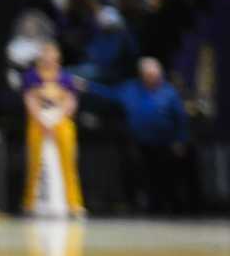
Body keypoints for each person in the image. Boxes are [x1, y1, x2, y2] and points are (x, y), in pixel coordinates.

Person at [74, 55, 189, 214]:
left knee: (166, 177)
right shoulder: (130, 89)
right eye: (148, 74)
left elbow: (180, 119)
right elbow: (109, 93)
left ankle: (173, 208)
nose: (152, 77)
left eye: (155, 74)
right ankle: (150, 207)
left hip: (164, 144)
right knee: (143, 176)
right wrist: (87, 86)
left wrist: (180, 140)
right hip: (140, 144)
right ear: (142, 75)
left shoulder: (169, 92)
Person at [22, 42, 85, 217]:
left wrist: (58, 118)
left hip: (61, 121)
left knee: (68, 162)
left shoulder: (66, 77)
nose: (49, 58)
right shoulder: (31, 76)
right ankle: (32, 202)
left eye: (52, 55)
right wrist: (41, 120)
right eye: (45, 54)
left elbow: (71, 101)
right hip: (39, 121)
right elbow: (30, 99)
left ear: (58, 58)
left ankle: (73, 203)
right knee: (36, 161)